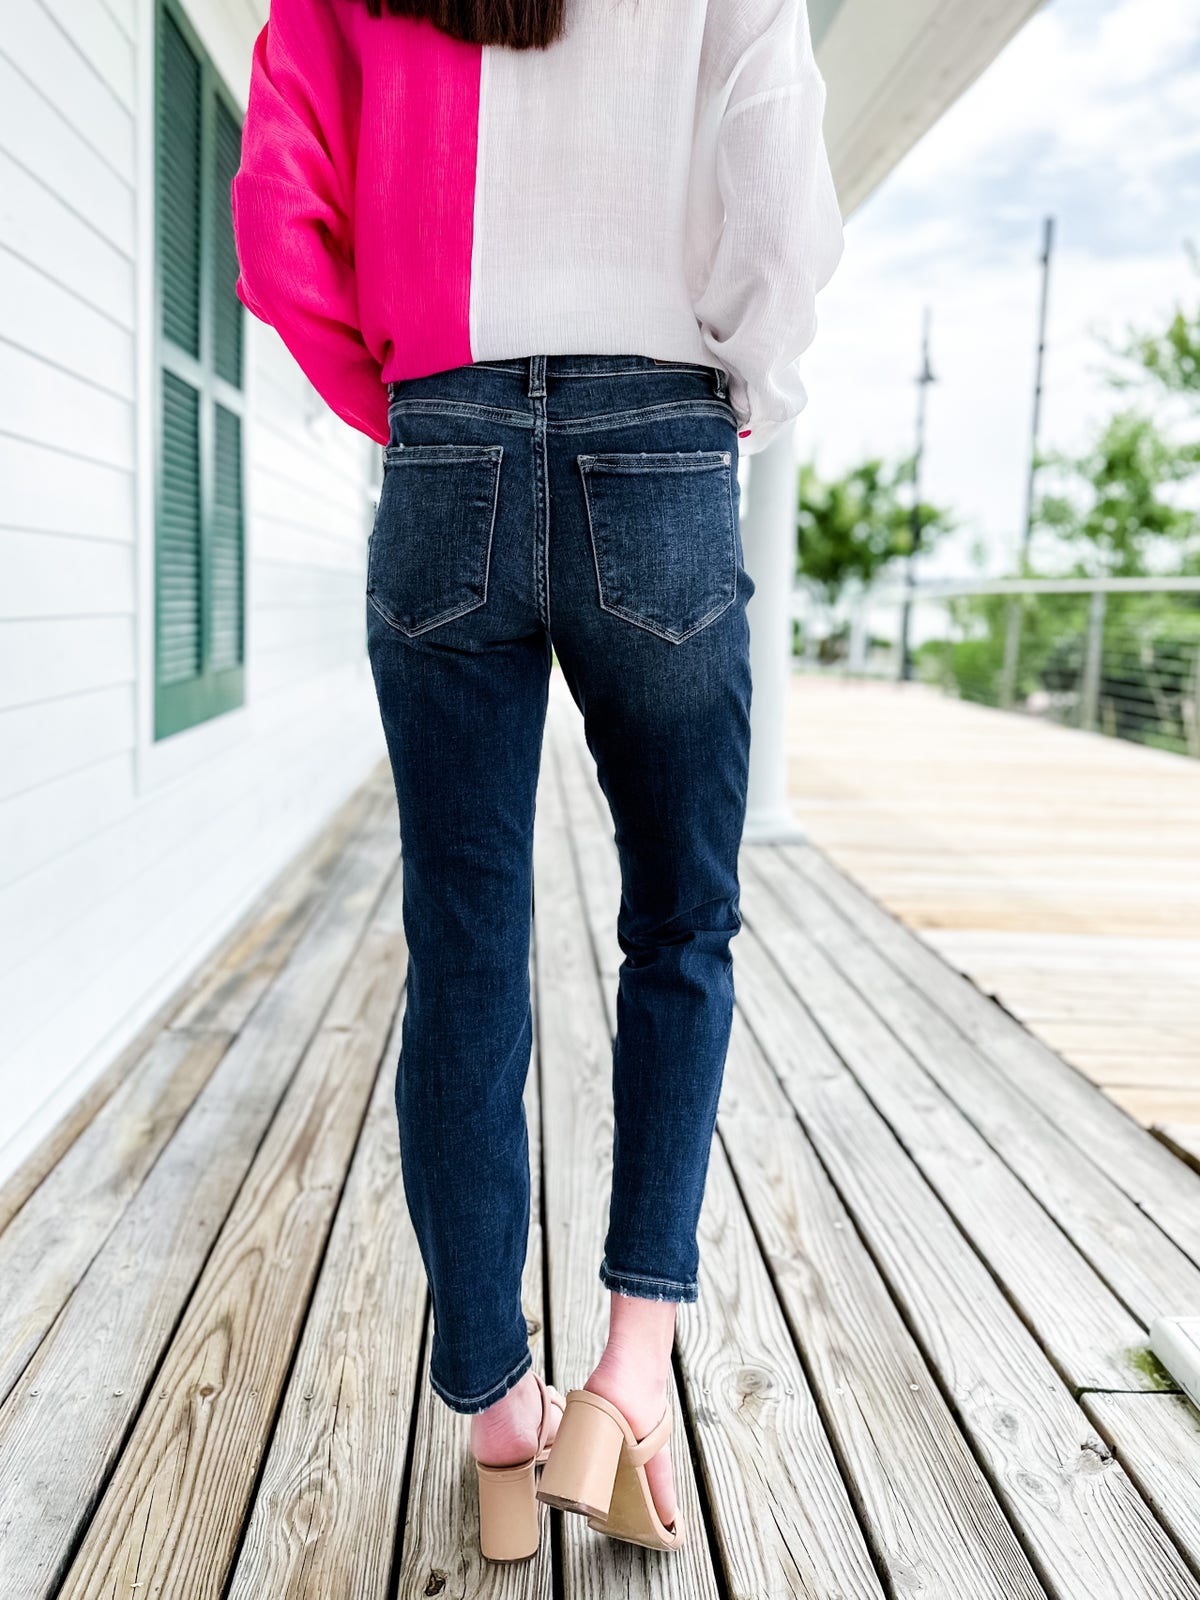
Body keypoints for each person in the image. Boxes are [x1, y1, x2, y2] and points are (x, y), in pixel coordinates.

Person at [231, 0, 843, 1563]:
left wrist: (411, 408)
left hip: (445, 438)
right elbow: (778, 191)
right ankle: (626, 1383)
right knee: (681, 926)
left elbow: (279, 227)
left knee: (463, 945)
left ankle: (501, 1416)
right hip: (662, 440)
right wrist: (743, 388)